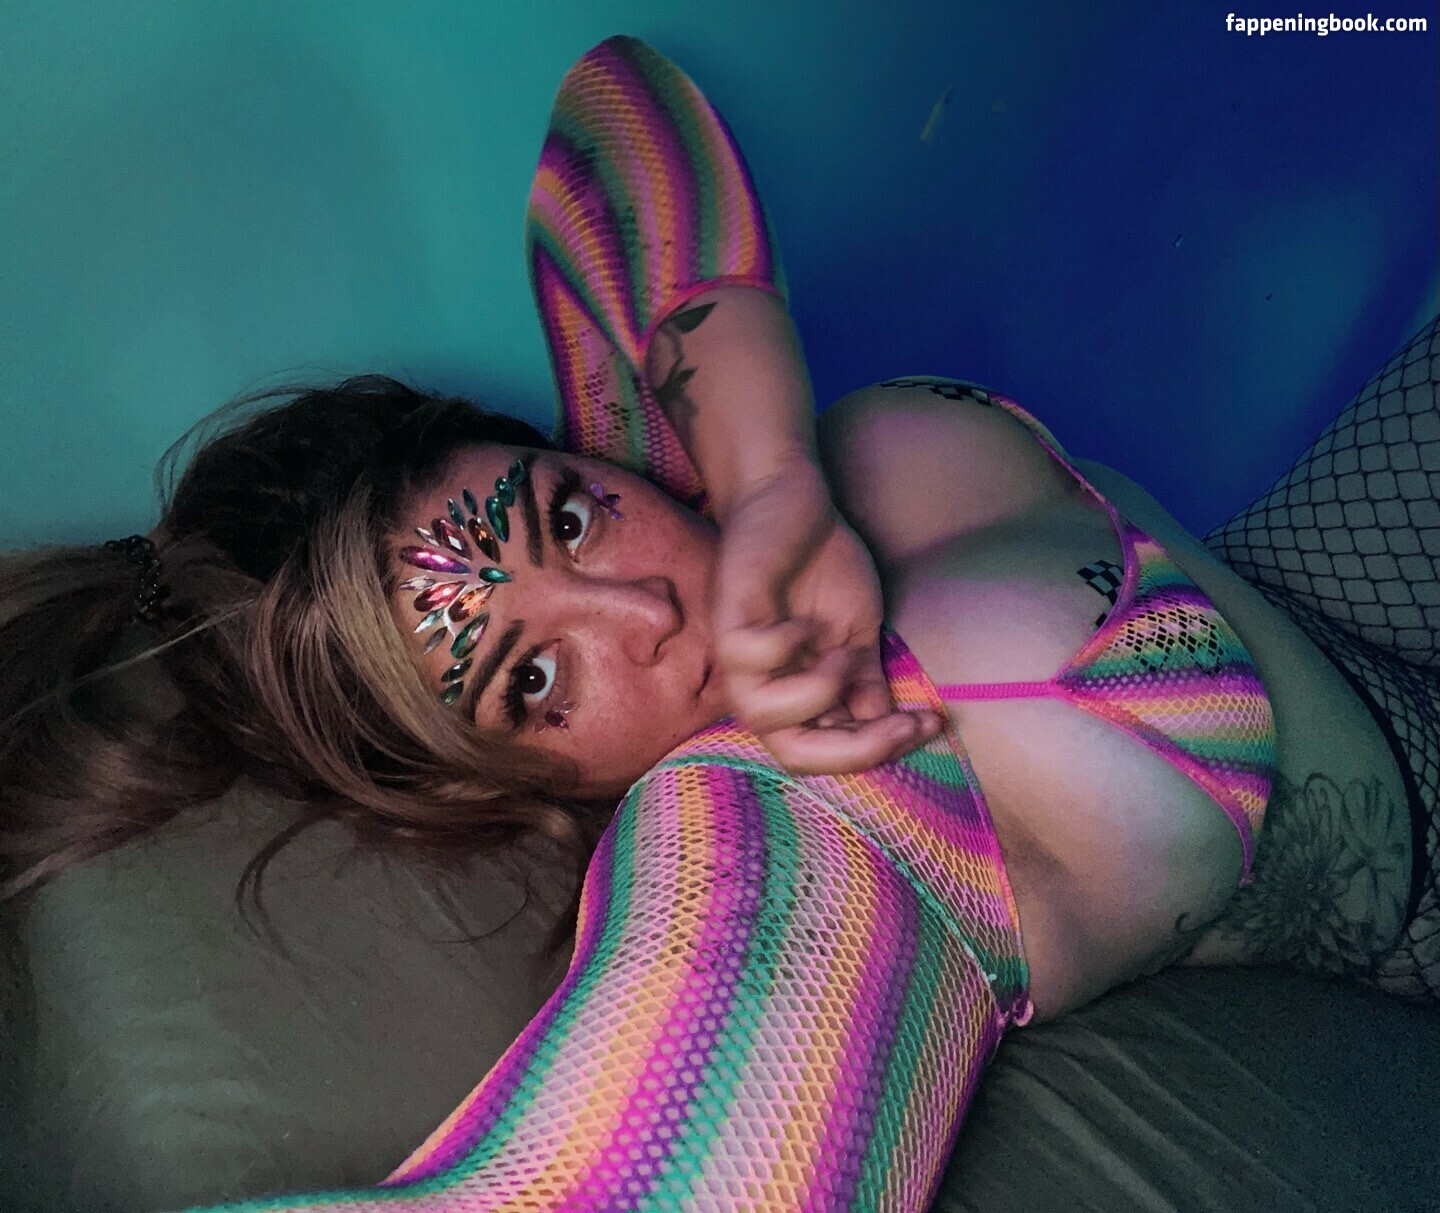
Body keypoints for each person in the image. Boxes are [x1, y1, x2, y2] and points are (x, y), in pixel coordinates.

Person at [1, 33, 1433, 1213]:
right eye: (536, 679)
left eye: (567, 520)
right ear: (508, 780)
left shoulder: (689, 476)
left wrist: (770, 481)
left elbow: (614, 118)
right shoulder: (788, 805)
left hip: (1316, 574)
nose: (640, 607)